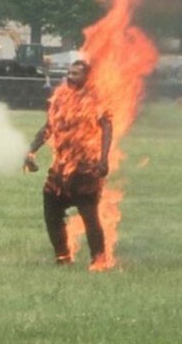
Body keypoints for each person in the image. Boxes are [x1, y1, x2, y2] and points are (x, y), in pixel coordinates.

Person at [24, 60, 113, 271]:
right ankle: (62, 256)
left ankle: (99, 260)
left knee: (89, 215)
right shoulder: (61, 96)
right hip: (61, 166)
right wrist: (31, 150)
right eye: (69, 72)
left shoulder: (96, 98)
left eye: (76, 73)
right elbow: (49, 127)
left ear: (87, 76)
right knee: (51, 209)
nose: (70, 76)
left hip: (86, 166)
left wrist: (103, 159)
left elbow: (107, 127)